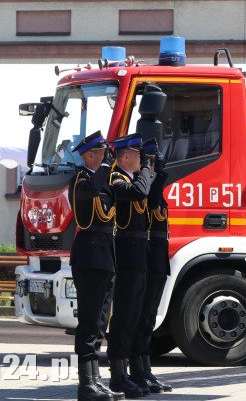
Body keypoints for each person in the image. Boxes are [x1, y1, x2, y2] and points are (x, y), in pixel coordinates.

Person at [69, 131, 123, 401]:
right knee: (89, 321)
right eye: (103, 153)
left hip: (106, 257)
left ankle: (96, 380)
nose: (107, 158)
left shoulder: (104, 180)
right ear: (91, 154)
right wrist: (104, 168)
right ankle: (86, 383)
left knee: (101, 322)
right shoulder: (80, 180)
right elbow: (90, 192)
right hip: (89, 257)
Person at [107, 134, 156, 399]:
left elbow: (155, 185)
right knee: (124, 316)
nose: (142, 160)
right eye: (138, 155)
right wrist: (147, 169)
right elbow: (140, 191)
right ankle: (117, 375)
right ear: (126, 156)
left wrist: (152, 163)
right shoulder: (117, 178)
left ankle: (132, 371)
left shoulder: (133, 177)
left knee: (135, 316)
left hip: (139, 254)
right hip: (126, 254)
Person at [129, 141, 173, 394]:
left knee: (148, 320)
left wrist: (159, 174)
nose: (155, 167)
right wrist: (152, 175)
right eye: (151, 161)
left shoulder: (155, 188)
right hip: (145, 260)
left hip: (157, 261)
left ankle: (145, 369)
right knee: (139, 318)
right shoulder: (141, 188)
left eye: (157, 162)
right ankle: (137, 369)